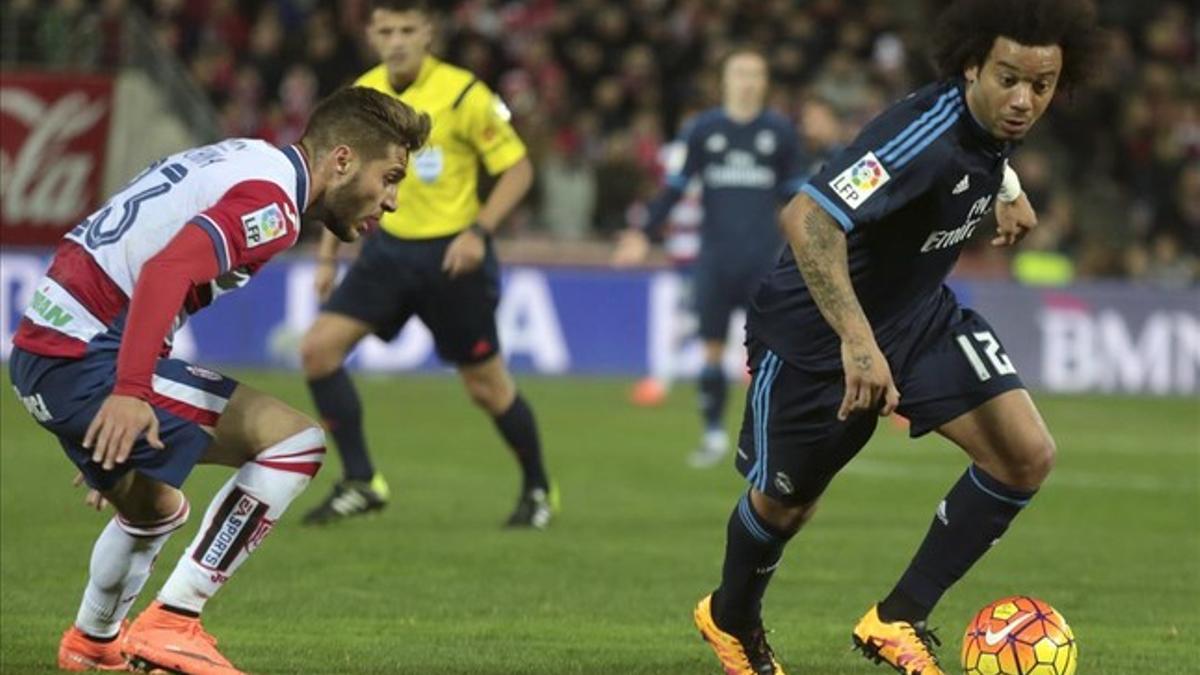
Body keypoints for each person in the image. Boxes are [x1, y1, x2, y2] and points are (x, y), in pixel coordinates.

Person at [691, 1, 1104, 673]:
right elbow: (809, 220)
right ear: (972, 66)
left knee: (1025, 455)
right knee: (786, 503)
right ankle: (729, 615)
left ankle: (897, 618)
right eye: (1009, 79)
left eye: (1042, 84)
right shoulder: (922, 134)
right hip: (816, 332)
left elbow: (980, 147)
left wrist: (1006, 181)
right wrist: (856, 341)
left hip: (917, 315)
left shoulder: (991, 121)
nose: (1025, 99)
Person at [9, 87, 429, 674]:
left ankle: (93, 642)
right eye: (389, 177)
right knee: (295, 443)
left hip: (46, 349)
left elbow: (133, 249)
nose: (391, 201)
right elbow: (166, 270)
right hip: (87, 354)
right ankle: (175, 622)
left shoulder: (242, 158)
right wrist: (128, 393)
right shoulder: (274, 203)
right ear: (341, 160)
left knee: (155, 507)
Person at [300, 0, 554, 528]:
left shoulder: (465, 93)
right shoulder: (362, 96)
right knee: (318, 350)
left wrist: (479, 231)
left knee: (487, 389)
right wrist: (328, 255)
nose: (396, 40)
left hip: (451, 259)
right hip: (386, 251)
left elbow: (518, 170)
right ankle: (361, 480)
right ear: (371, 33)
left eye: (407, 29)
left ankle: (537, 489)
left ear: (429, 33)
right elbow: (337, 179)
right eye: (386, 30)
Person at [613, 47, 810, 468]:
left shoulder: (780, 133)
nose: (748, 81)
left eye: (756, 74)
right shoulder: (703, 130)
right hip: (716, 259)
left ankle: (773, 438)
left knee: (775, 353)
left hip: (764, 259)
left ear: (765, 82)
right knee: (711, 351)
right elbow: (673, 189)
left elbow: (799, 199)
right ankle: (714, 435)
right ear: (724, 81)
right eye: (740, 73)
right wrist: (642, 235)